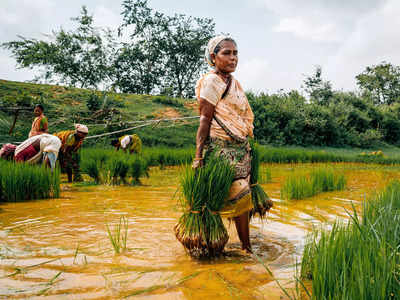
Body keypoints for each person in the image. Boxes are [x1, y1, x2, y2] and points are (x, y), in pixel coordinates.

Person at [193, 35, 255, 253]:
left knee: (242, 202)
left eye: (235, 53)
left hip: (240, 149)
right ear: (213, 57)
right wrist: (198, 155)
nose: (233, 58)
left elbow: (241, 116)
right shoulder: (212, 81)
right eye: (226, 53)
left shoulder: (234, 83)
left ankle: (246, 248)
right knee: (237, 195)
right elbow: (205, 119)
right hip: (221, 149)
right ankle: (230, 245)